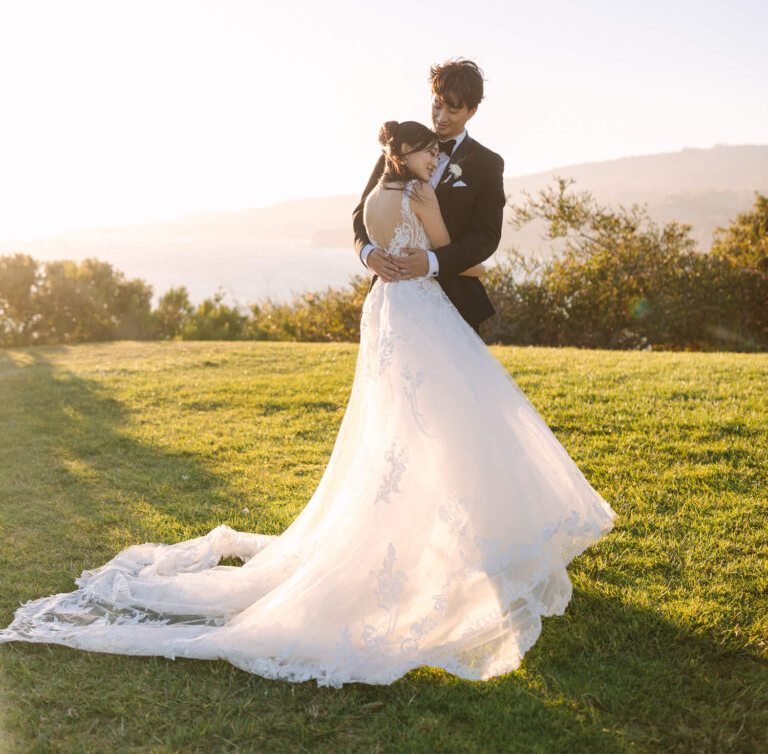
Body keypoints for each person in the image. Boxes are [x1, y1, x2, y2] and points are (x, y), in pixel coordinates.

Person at [0, 121, 615, 689]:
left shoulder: (413, 179)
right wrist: (400, 241)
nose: (437, 138)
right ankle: (448, 535)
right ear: (406, 151)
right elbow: (434, 242)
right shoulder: (415, 190)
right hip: (421, 312)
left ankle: (463, 531)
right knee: (446, 418)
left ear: (469, 107)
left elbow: (465, 233)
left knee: (409, 423)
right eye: (429, 131)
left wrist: (397, 252)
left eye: (449, 113)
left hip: (392, 311)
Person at [353, 58, 506, 334]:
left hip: (455, 302)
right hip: (395, 300)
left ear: (472, 111)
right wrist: (367, 252)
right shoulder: (397, 150)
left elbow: (486, 236)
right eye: (437, 104)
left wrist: (433, 262)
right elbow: (361, 212)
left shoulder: (487, 164)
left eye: (453, 109)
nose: (441, 117)